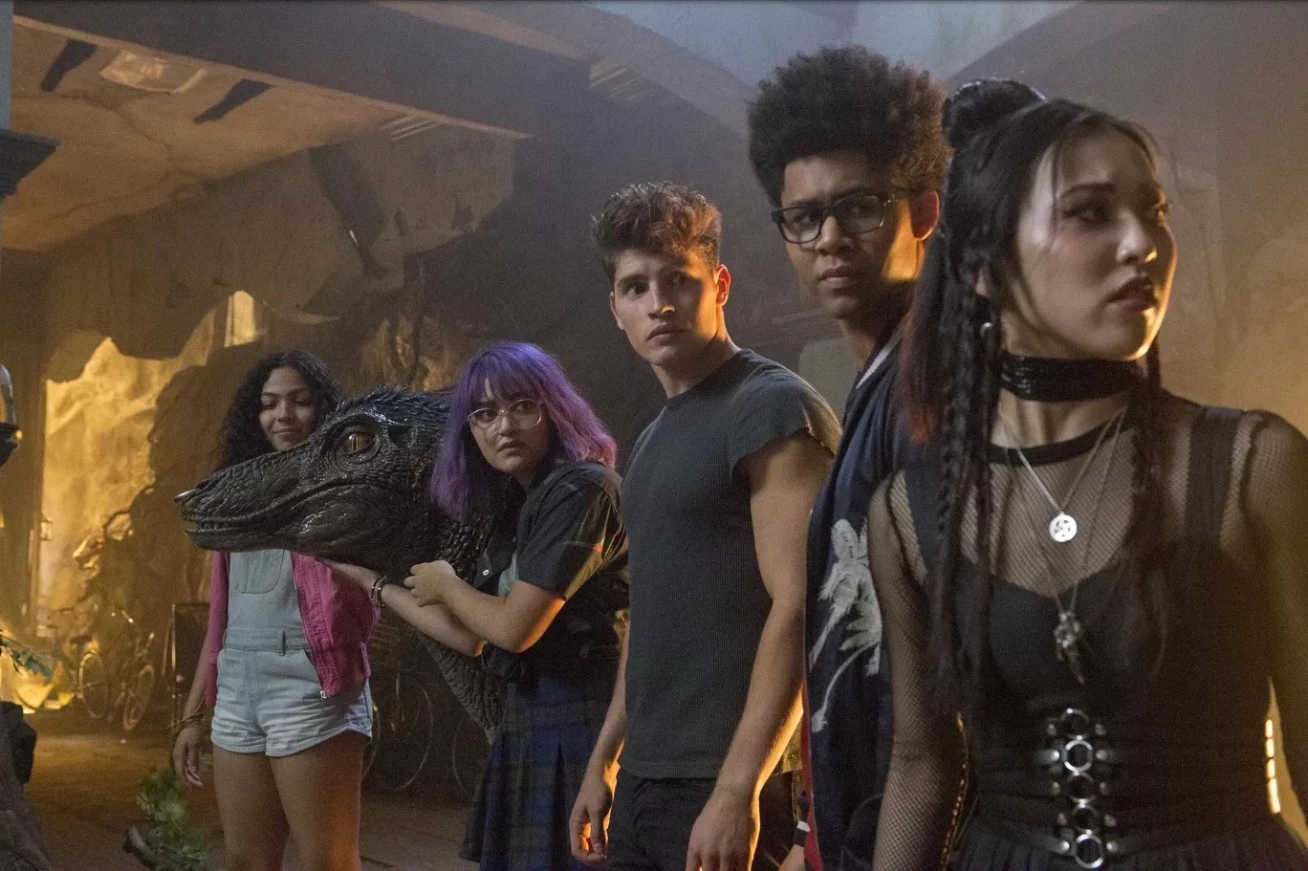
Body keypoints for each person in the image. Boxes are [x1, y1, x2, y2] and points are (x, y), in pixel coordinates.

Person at [866, 80, 1308, 870]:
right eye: (1091, 212)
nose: (1144, 243)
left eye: (1155, 211)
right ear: (982, 264)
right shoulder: (912, 511)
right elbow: (919, 762)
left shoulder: (1252, 466)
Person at [570, 182, 840, 871]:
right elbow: (649, 617)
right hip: (644, 781)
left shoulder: (771, 407)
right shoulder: (652, 438)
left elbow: (801, 606)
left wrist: (736, 789)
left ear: (718, 285)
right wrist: (606, 758)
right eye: (635, 287)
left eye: (678, 280)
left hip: (725, 782)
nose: (658, 303)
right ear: (615, 309)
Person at [746, 46, 949, 871]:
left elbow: (945, 702)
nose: (828, 238)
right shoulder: (878, 381)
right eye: (804, 216)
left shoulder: (937, 384)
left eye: (859, 207)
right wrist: (816, 838)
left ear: (923, 212)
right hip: (859, 826)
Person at [330, 341, 629, 871]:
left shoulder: (582, 489)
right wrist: (373, 582)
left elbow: (513, 630)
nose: (504, 426)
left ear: (555, 410)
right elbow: (473, 635)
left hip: (589, 720)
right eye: (484, 414)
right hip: (531, 717)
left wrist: (447, 585)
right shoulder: (521, 500)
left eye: (523, 406)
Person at [172, 349, 375, 871]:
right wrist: (192, 716)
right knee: (246, 861)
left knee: (326, 862)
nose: (283, 415)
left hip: (309, 681)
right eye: (268, 404)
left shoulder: (348, 489)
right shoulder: (235, 497)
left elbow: (372, 593)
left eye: (299, 401)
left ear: (323, 408)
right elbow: (220, 622)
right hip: (238, 686)